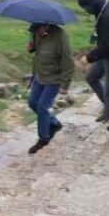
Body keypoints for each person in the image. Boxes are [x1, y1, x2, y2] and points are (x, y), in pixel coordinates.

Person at [26, 22, 74, 153]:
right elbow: (36, 49)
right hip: (39, 75)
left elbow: (68, 61)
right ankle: (53, 123)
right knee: (32, 102)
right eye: (35, 32)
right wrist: (31, 48)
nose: (37, 34)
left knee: (42, 106)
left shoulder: (60, 37)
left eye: (39, 31)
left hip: (54, 78)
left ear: (46, 26)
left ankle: (44, 138)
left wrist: (65, 85)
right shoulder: (36, 33)